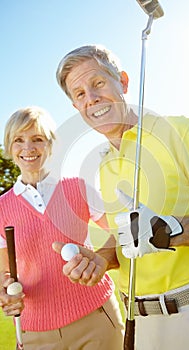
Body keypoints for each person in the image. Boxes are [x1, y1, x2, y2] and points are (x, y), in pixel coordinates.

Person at [55, 45, 189, 350]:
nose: (91, 98)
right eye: (80, 94)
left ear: (123, 82)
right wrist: (101, 258)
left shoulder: (179, 131)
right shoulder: (105, 161)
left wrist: (168, 231)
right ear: (76, 107)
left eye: (98, 83)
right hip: (138, 323)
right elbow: (125, 235)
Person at [0, 106, 124, 350]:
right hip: (36, 333)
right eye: (18, 140)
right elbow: (3, 272)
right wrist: (5, 292)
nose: (28, 148)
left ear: (50, 145)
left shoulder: (78, 187)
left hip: (97, 317)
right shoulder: (1, 208)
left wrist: (100, 259)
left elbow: (123, 230)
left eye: (37, 139)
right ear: (9, 148)